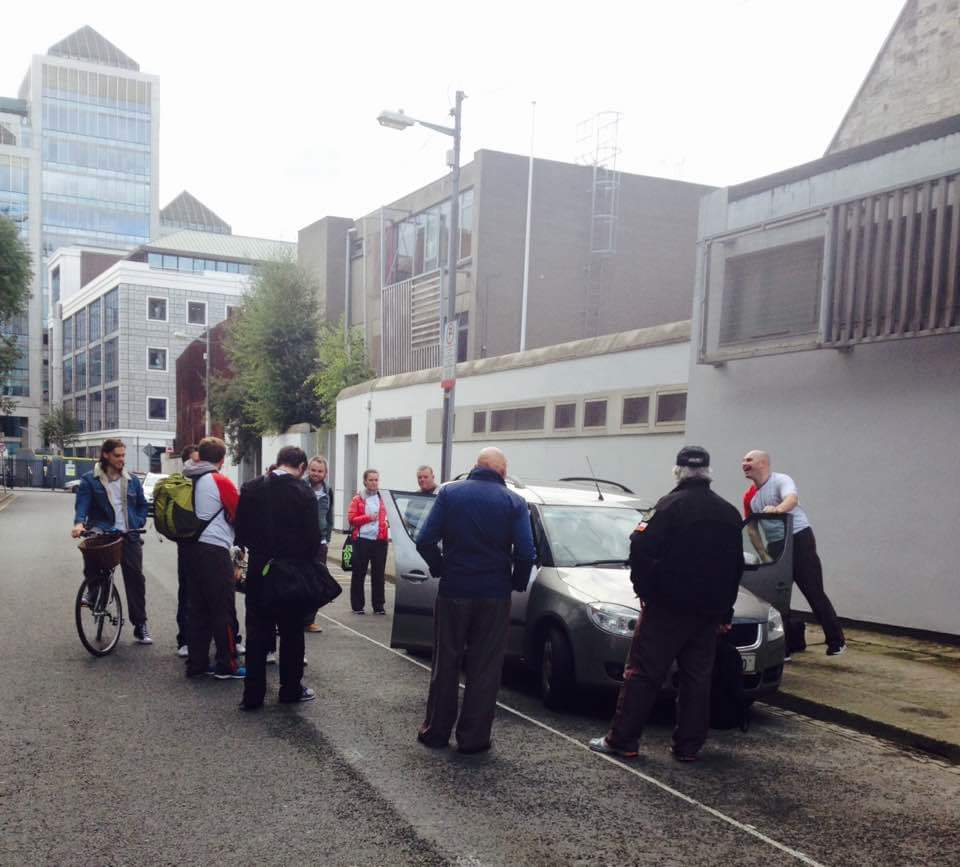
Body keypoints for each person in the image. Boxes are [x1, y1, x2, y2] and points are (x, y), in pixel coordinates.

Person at [589, 446, 744, 763]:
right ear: (708, 473)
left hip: (666, 609)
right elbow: (735, 568)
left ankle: (623, 740)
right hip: (709, 613)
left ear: (678, 471)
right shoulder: (729, 514)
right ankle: (688, 746)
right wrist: (725, 611)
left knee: (644, 674)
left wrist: (645, 590)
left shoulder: (668, 506)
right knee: (697, 679)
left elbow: (640, 548)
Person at [415, 447, 536, 754]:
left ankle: (436, 732)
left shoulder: (450, 494)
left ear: (475, 467)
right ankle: (473, 738)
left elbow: (424, 539)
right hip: (494, 594)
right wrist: (515, 583)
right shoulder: (515, 502)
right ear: (503, 472)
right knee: (485, 667)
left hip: (454, 590)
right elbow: (526, 553)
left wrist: (441, 567)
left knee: (446, 662)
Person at [235, 446, 322, 708]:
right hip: (292, 571)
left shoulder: (251, 488)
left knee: (257, 632)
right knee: (292, 633)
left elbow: (241, 531)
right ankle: (290, 690)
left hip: (261, 568)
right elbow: (313, 538)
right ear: (302, 467)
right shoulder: (304, 492)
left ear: (277, 462)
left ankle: (252, 695)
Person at [741, 449, 846, 656]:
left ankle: (837, 642)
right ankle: (784, 648)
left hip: (799, 539)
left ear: (763, 463)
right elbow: (752, 529)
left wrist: (778, 510)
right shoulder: (751, 498)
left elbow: (792, 500)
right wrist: (762, 554)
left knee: (813, 591)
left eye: (749, 460)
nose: (744, 463)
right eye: (743, 460)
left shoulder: (781, 480)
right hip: (775, 545)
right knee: (776, 595)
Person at [71, 438, 152, 644]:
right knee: (90, 550)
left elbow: (142, 505)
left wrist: (139, 520)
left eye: (123, 455)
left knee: (135, 579)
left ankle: (140, 625)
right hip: (103, 529)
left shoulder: (132, 480)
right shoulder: (90, 480)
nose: (121, 459)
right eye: (118, 455)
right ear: (106, 455)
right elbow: (82, 505)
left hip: (129, 533)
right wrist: (79, 524)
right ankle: (93, 592)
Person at [182, 437, 245, 680]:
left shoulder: (188, 476)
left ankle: (196, 664)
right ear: (222, 459)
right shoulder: (219, 480)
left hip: (191, 548)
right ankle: (226, 664)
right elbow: (239, 513)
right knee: (223, 608)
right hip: (214, 549)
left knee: (197, 608)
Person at [347, 469, 389, 615]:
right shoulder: (357, 499)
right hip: (362, 540)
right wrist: (368, 517)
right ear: (365, 481)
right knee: (359, 573)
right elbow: (351, 519)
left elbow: (389, 516)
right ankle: (357, 606)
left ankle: (379, 606)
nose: (374, 483)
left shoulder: (383, 498)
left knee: (379, 574)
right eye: (371, 480)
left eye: (376, 480)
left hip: (380, 541)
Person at [174, 443, 200, 658]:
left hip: (208, 546)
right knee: (188, 592)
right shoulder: (182, 486)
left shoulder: (208, 481)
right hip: (188, 545)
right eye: (195, 461)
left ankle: (229, 637)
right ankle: (185, 639)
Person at [304, 455, 334, 634]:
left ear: (325, 473)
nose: (316, 474)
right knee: (298, 581)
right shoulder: (299, 486)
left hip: (320, 543)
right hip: (301, 542)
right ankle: (289, 619)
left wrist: (328, 538)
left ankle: (309, 621)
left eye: (320, 471)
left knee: (316, 583)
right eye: (313, 470)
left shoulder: (328, 490)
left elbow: (330, 516)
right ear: (308, 470)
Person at [404, 464, 438, 536]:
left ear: (433, 477)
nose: (422, 480)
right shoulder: (414, 498)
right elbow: (407, 521)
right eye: (420, 477)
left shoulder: (441, 494)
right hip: (415, 540)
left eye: (425, 477)